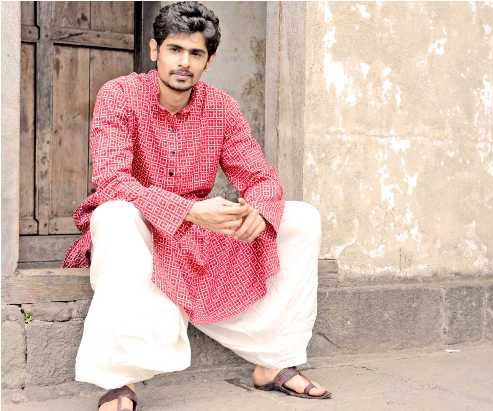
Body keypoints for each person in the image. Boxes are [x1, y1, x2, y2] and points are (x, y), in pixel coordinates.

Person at [62, 2, 331, 410]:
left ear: (209, 60)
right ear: (155, 50)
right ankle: (118, 383)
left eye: (195, 53)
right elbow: (112, 181)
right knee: (113, 214)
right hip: (140, 229)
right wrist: (188, 211)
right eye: (175, 49)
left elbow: (260, 177)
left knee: (301, 218)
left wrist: (259, 210)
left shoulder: (221, 107)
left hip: (197, 234)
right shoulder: (119, 95)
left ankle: (275, 361)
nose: (184, 63)